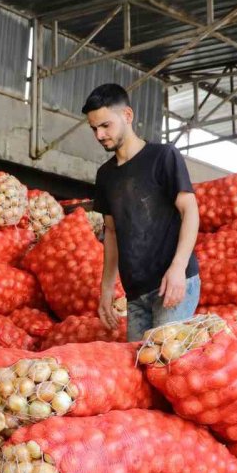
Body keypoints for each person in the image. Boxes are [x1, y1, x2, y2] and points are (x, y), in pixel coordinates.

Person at [83, 83, 202, 342]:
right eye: (94, 128)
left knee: (162, 364)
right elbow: (112, 232)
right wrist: (106, 289)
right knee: (140, 370)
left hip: (173, 282)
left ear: (127, 116)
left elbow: (190, 210)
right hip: (136, 294)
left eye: (105, 125)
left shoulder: (163, 157)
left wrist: (179, 267)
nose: (99, 135)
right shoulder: (105, 175)